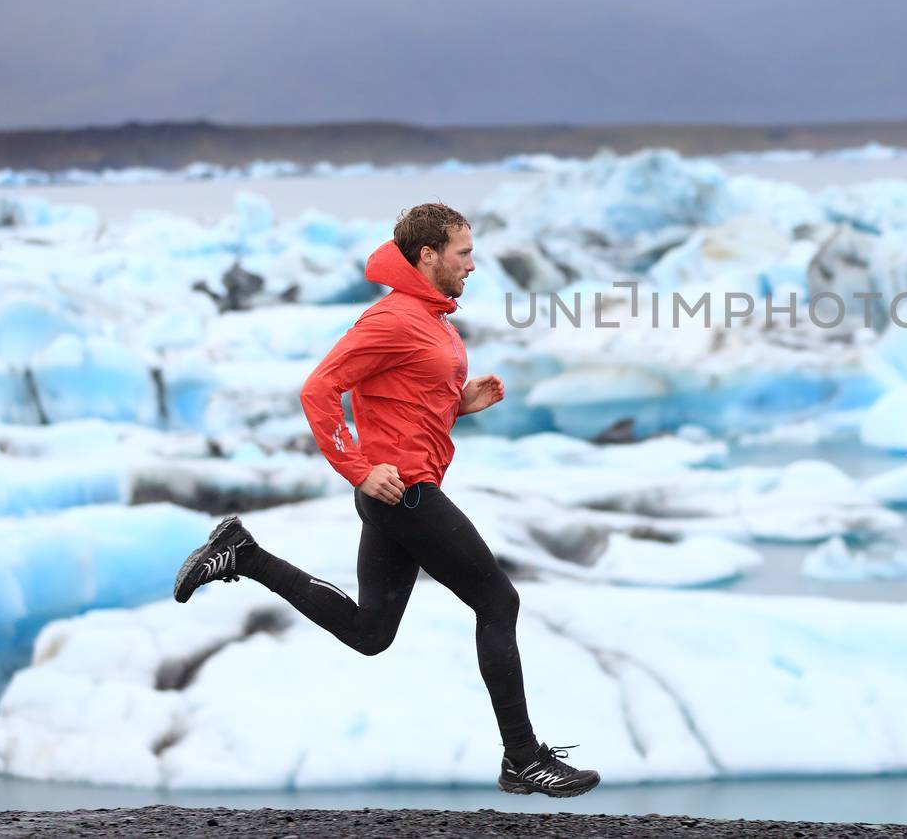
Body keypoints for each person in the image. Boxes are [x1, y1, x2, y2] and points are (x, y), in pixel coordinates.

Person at [172, 202, 600, 798]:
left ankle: (243, 555)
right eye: (463, 253)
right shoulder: (392, 319)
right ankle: (523, 758)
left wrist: (458, 403)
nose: (473, 265)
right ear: (428, 255)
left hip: (401, 489)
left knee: (371, 632)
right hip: (403, 492)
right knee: (498, 601)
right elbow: (319, 389)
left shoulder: (434, 320)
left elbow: (401, 395)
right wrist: (356, 468)